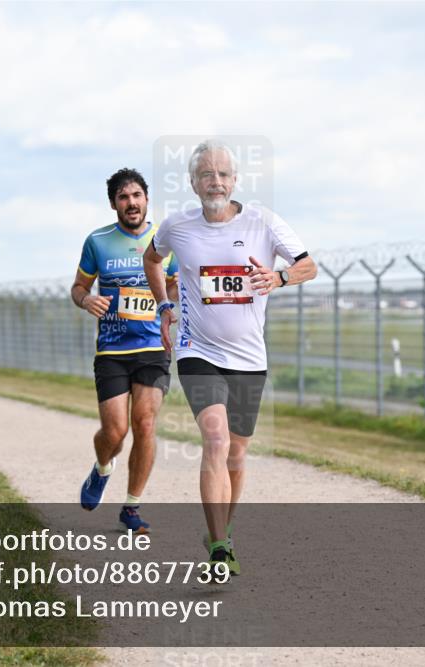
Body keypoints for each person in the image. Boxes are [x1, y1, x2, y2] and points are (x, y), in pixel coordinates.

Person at [143, 140, 317, 577]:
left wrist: (278, 277)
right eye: (206, 174)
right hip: (197, 351)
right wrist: (164, 306)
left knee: (237, 454)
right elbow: (152, 257)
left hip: (249, 357)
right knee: (216, 441)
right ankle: (219, 548)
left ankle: (224, 529)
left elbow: (308, 266)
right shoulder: (177, 227)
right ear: (193, 182)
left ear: (234, 180)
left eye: (222, 174)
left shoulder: (263, 222)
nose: (215, 181)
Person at [71, 168, 179, 534]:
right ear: (114, 203)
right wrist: (87, 300)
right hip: (112, 350)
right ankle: (103, 468)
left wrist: (174, 307)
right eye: (123, 197)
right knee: (114, 433)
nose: (131, 203)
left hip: (153, 346)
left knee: (145, 423)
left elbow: (175, 287)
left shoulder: (166, 242)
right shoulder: (97, 241)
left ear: (147, 199)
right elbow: (78, 287)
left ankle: (132, 507)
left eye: (136, 195)